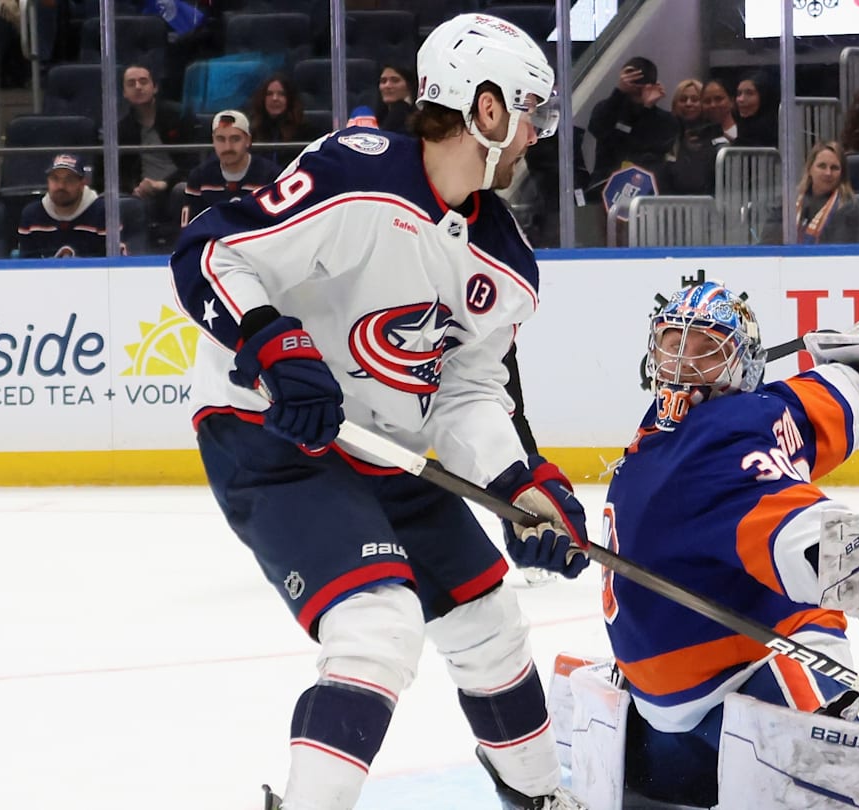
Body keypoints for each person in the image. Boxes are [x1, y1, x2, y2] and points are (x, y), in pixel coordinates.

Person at [168, 13, 588, 810]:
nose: (539, 134)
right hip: (269, 432)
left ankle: (538, 799)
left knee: (489, 619)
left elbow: (466, 393)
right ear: (487, 110)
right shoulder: (354, 176)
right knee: (378, 625)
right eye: (533, 111)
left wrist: (519, 486)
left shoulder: (505, 263)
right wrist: (275, 346)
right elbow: (212, 252)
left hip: (388, 448)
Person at [594, 283, 859, 807]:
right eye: (673, 345)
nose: (681, 366)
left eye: (703, 350)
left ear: (741, 366)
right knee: (811, 615)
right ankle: (834, 768)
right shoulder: (720, 442)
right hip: (726, 721)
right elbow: (804, 548)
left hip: (656, 738)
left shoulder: (664, 433)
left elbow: (809, 409)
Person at [117, 63, 196, 248]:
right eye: (131, 83)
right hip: (143, 193)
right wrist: (134, 188)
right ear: (124, 93)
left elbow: (194, 163)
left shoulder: (179, 116)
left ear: (155, 87)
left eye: (143, 81)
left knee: (182, 190)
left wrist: (164, 183)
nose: (138, 87)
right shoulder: (122, 129)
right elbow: (115, 172)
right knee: (125, 202)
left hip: (175, 186)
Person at [180, 109, 282, 226]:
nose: (228, 147)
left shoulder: (271, 175)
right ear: (213, 140)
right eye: (220, 139)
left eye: (235, 139)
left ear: (248, 140)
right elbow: (189, 230)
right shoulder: (199, 176)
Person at [587, 56, 680, 183]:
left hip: (646, 187)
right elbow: (598, 130)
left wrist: (647, 109)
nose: (635, 97)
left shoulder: (666, 121)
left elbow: (640, 147)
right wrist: (619, 92)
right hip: (605, 185)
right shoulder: (608, 109)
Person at [16, 153, 122, 258]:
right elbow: (25, 267)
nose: (61, 186)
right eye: (55, 179)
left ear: (82, 184)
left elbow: (116, 265)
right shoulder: (31, 214)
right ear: (48, 181)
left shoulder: (105, 213)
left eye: (69, 180)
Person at [760, 141, 859, 244]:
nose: (828, 173)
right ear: (810, 169)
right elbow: (768, 243)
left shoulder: (847, 207)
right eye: (822, 166)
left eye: (834, 168)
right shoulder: (788, 202)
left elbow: (838, 252)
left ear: (842, 174)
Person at [666, 78, 727, 196]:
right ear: (674, 104)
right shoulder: (668, 136)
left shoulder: (716, 136)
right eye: (683, 99)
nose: (689, 103)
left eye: (695, 99)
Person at [245, 74, 319, 165]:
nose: (275, 98)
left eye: (281, 94)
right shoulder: (252, 132)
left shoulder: (307, 131)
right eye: (269, 94)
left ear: (290, 99)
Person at [732, 71, 779, 147]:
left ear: (764, 97)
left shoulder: (775, 133)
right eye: (739, 93)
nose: (741, 99)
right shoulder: (741, 128)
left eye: (749, 93)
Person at [376, 64, 418, 133]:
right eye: (383, 81)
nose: (387, 86)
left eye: (395, 80)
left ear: (409, 86)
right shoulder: (379, 114)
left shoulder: (416, 119)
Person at [701, 78, 738, 143]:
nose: (713, 105)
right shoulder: (700, 136)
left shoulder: (743, 133)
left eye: (718, 99)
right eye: (707, 101)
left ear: (731, 101)